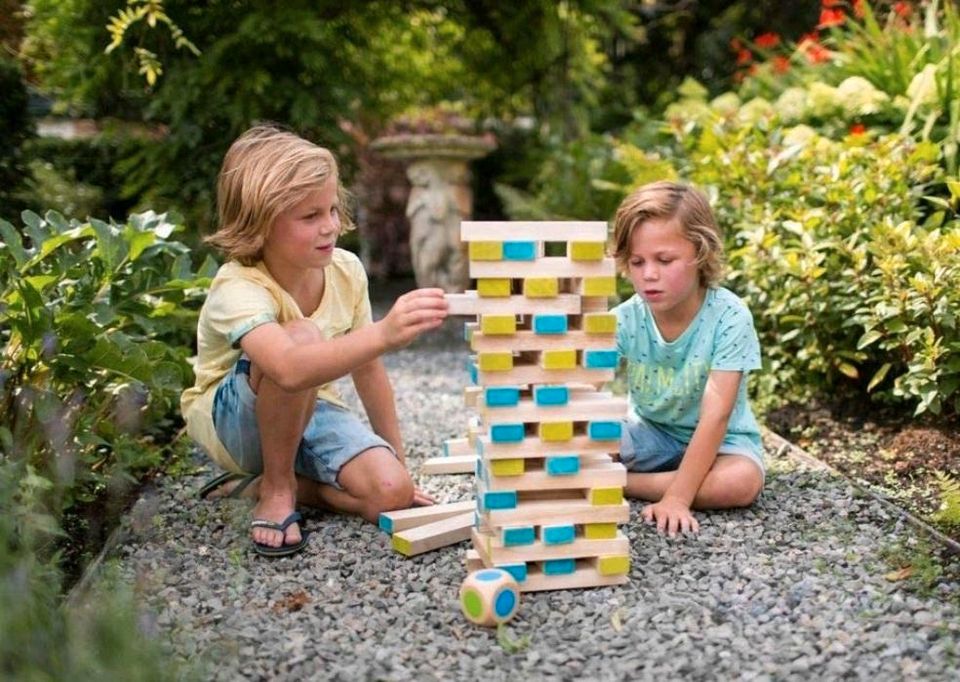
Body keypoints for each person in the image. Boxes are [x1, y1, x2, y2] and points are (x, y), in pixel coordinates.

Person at [181, 124, 448, 557]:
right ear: (260, 223)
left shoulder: (345, 270)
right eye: (310, 217)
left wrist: (397, 463)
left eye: (331, 210)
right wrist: (383, 333)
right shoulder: (239, 286)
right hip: (235, 423)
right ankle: (277, 487)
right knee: (302, 339)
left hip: (312, 408)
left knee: (390, 491)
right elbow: (287, 367)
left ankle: (271, 487)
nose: (330, 227)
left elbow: (367, 369)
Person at [611, 180, 764, 537]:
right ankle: (646, 477)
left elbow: (717, 414)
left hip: (724, 443)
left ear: (700, 253)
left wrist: (678, 498)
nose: (649, 274)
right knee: (582, 440)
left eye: (664, 260)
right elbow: (577, 379)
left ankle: (623, 483)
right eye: (637, 261)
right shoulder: (626, 318)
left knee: (741, 483)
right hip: (649, 435)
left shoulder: (730, 316)